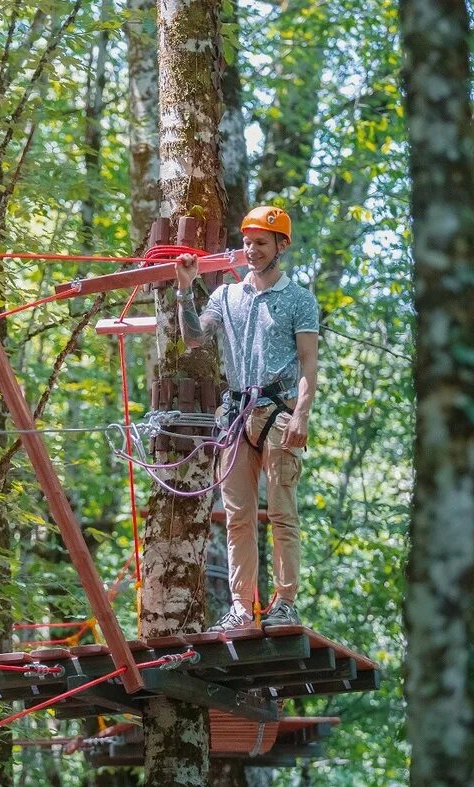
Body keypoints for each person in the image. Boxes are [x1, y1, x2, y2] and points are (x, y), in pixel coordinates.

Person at [174, 206, 319, 630]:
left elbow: (309, 365)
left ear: (281, 247)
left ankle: (284, 602)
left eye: (261, 243)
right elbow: (194, 339)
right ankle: (241, 607)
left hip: (278, 416)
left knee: (281, 513)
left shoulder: (298, 299)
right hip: (236, 418)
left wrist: (301, 416)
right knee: (238, 517)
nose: (251, 250)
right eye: (248, 241)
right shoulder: (226, 296)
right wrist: (185, 290)